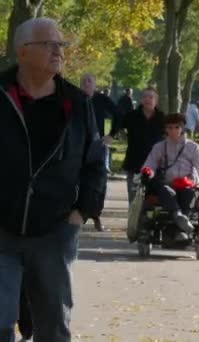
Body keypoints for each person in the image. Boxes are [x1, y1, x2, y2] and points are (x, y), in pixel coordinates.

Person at [0, 17, 107, 341]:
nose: (58, 51)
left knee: (53, 328)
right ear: (23, 51)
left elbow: (95, 162)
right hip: (0, 232)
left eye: (61, 45)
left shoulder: (77, 104)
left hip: (54, 233)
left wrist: (81, 213)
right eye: (49, 44)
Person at [141, 113, 199, 241]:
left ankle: (179, 229)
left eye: (176, 127)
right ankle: (178, 216)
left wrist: (190, 180)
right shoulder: (159, 147)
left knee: (188, 194)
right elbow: (150, 164)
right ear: (165, 129)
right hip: (167, 184)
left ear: (182, 128)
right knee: (165, 190)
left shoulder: (193, 147)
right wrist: (148, 172)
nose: (173, 131)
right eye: (169, 127)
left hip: (186, 185)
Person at [109, 87, 165, 205]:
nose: (148, 100)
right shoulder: (132, 116)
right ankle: (133, 222)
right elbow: (118, 123)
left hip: (155, 165)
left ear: (156, 100)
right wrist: (112, 135)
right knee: (134, 199)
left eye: (151, 97)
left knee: (152, 199)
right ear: (141, 99)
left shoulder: (162, 118)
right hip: (134, 162)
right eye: (145, 97)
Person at [80, 73, 121, 232]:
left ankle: (96, 214)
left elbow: (118, 115)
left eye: (90, 80)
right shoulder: (76, 98)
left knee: (99, 181)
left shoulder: (102, 100)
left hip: (97, 146)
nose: (87, 83)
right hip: (78, 145)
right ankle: (78, 213)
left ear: (95, 84)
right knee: (77, 180)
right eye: (84, 81)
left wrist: (111, 135)